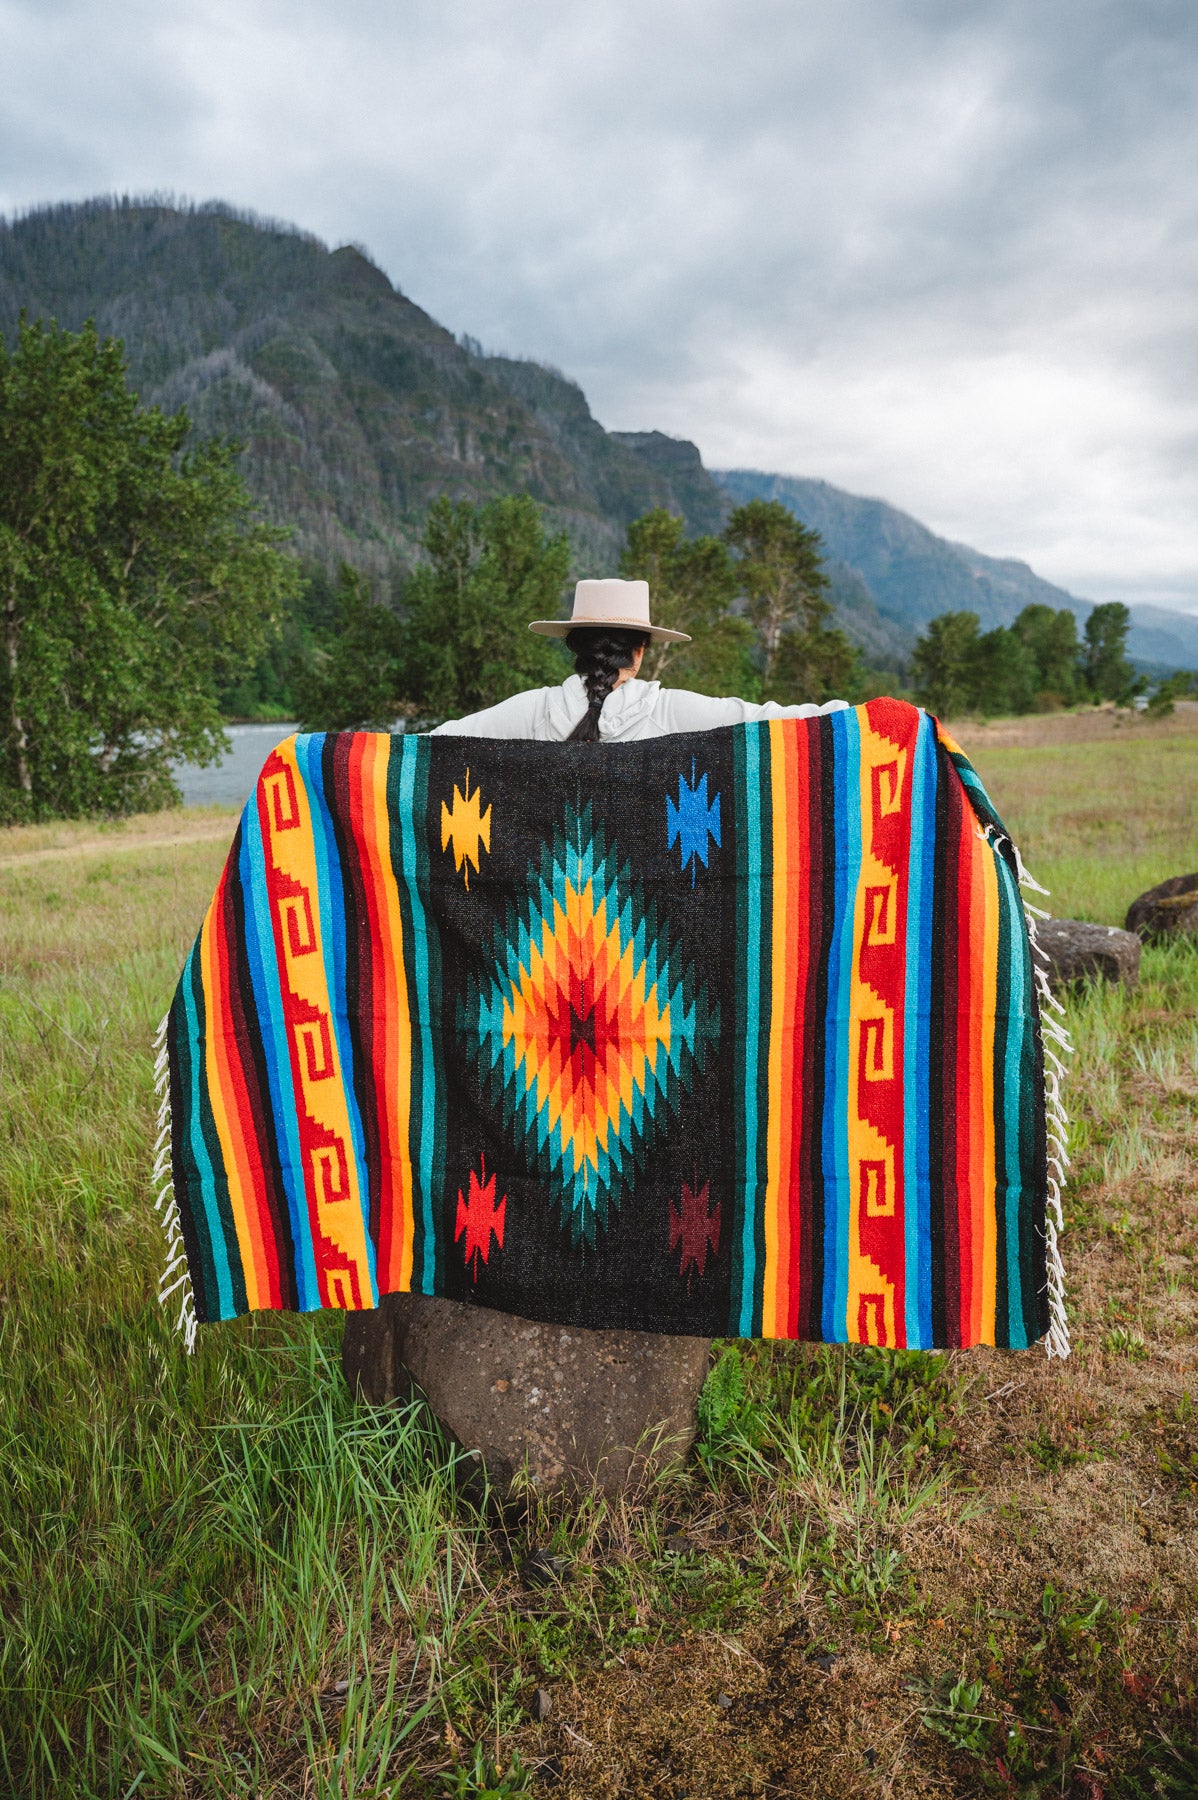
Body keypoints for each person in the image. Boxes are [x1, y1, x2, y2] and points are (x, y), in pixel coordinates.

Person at [431, 577, 849, 740]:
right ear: (642, 648)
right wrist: (866, 719)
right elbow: (774, 721)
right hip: (642, 923)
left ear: (576, 646)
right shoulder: (671, 712)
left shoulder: (535, 711)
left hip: (547, 919)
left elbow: (430, 747)